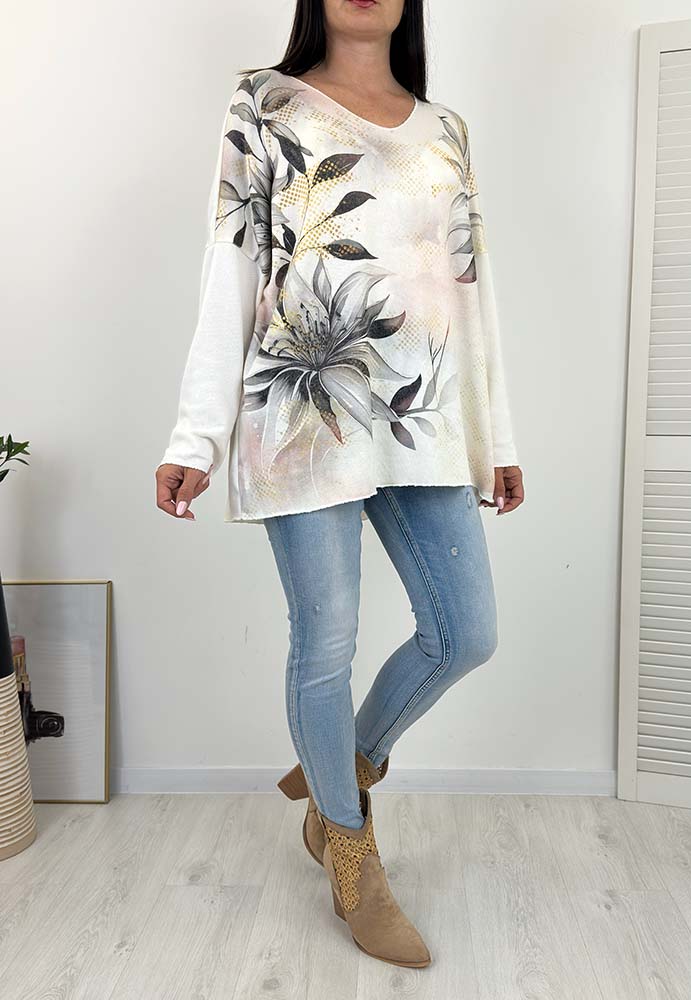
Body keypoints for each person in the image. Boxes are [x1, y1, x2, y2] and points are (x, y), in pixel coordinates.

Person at [155, 0, 524, 969]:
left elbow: (471, 292)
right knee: (325, 641)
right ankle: (351, 851)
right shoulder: (265, 104)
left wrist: (495, 437)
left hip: (421, 419)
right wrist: (197, 434)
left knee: (466, 631)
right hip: (301, 410)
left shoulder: (447, 132)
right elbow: (231, 268)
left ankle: (339, 772)